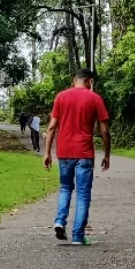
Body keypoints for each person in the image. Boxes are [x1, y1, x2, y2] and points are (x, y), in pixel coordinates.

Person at [44, 68, 111, 246]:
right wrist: (107, 154)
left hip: (64, 152)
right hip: (84, 154)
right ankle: (78, 236)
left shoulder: (61, 96)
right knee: (83, 194)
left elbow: (51, 127)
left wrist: (47, 152)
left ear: (75, 80)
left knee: (65, 188)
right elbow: (104, 130)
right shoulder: (95, 98)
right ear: (90, 82)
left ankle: (59, 221)